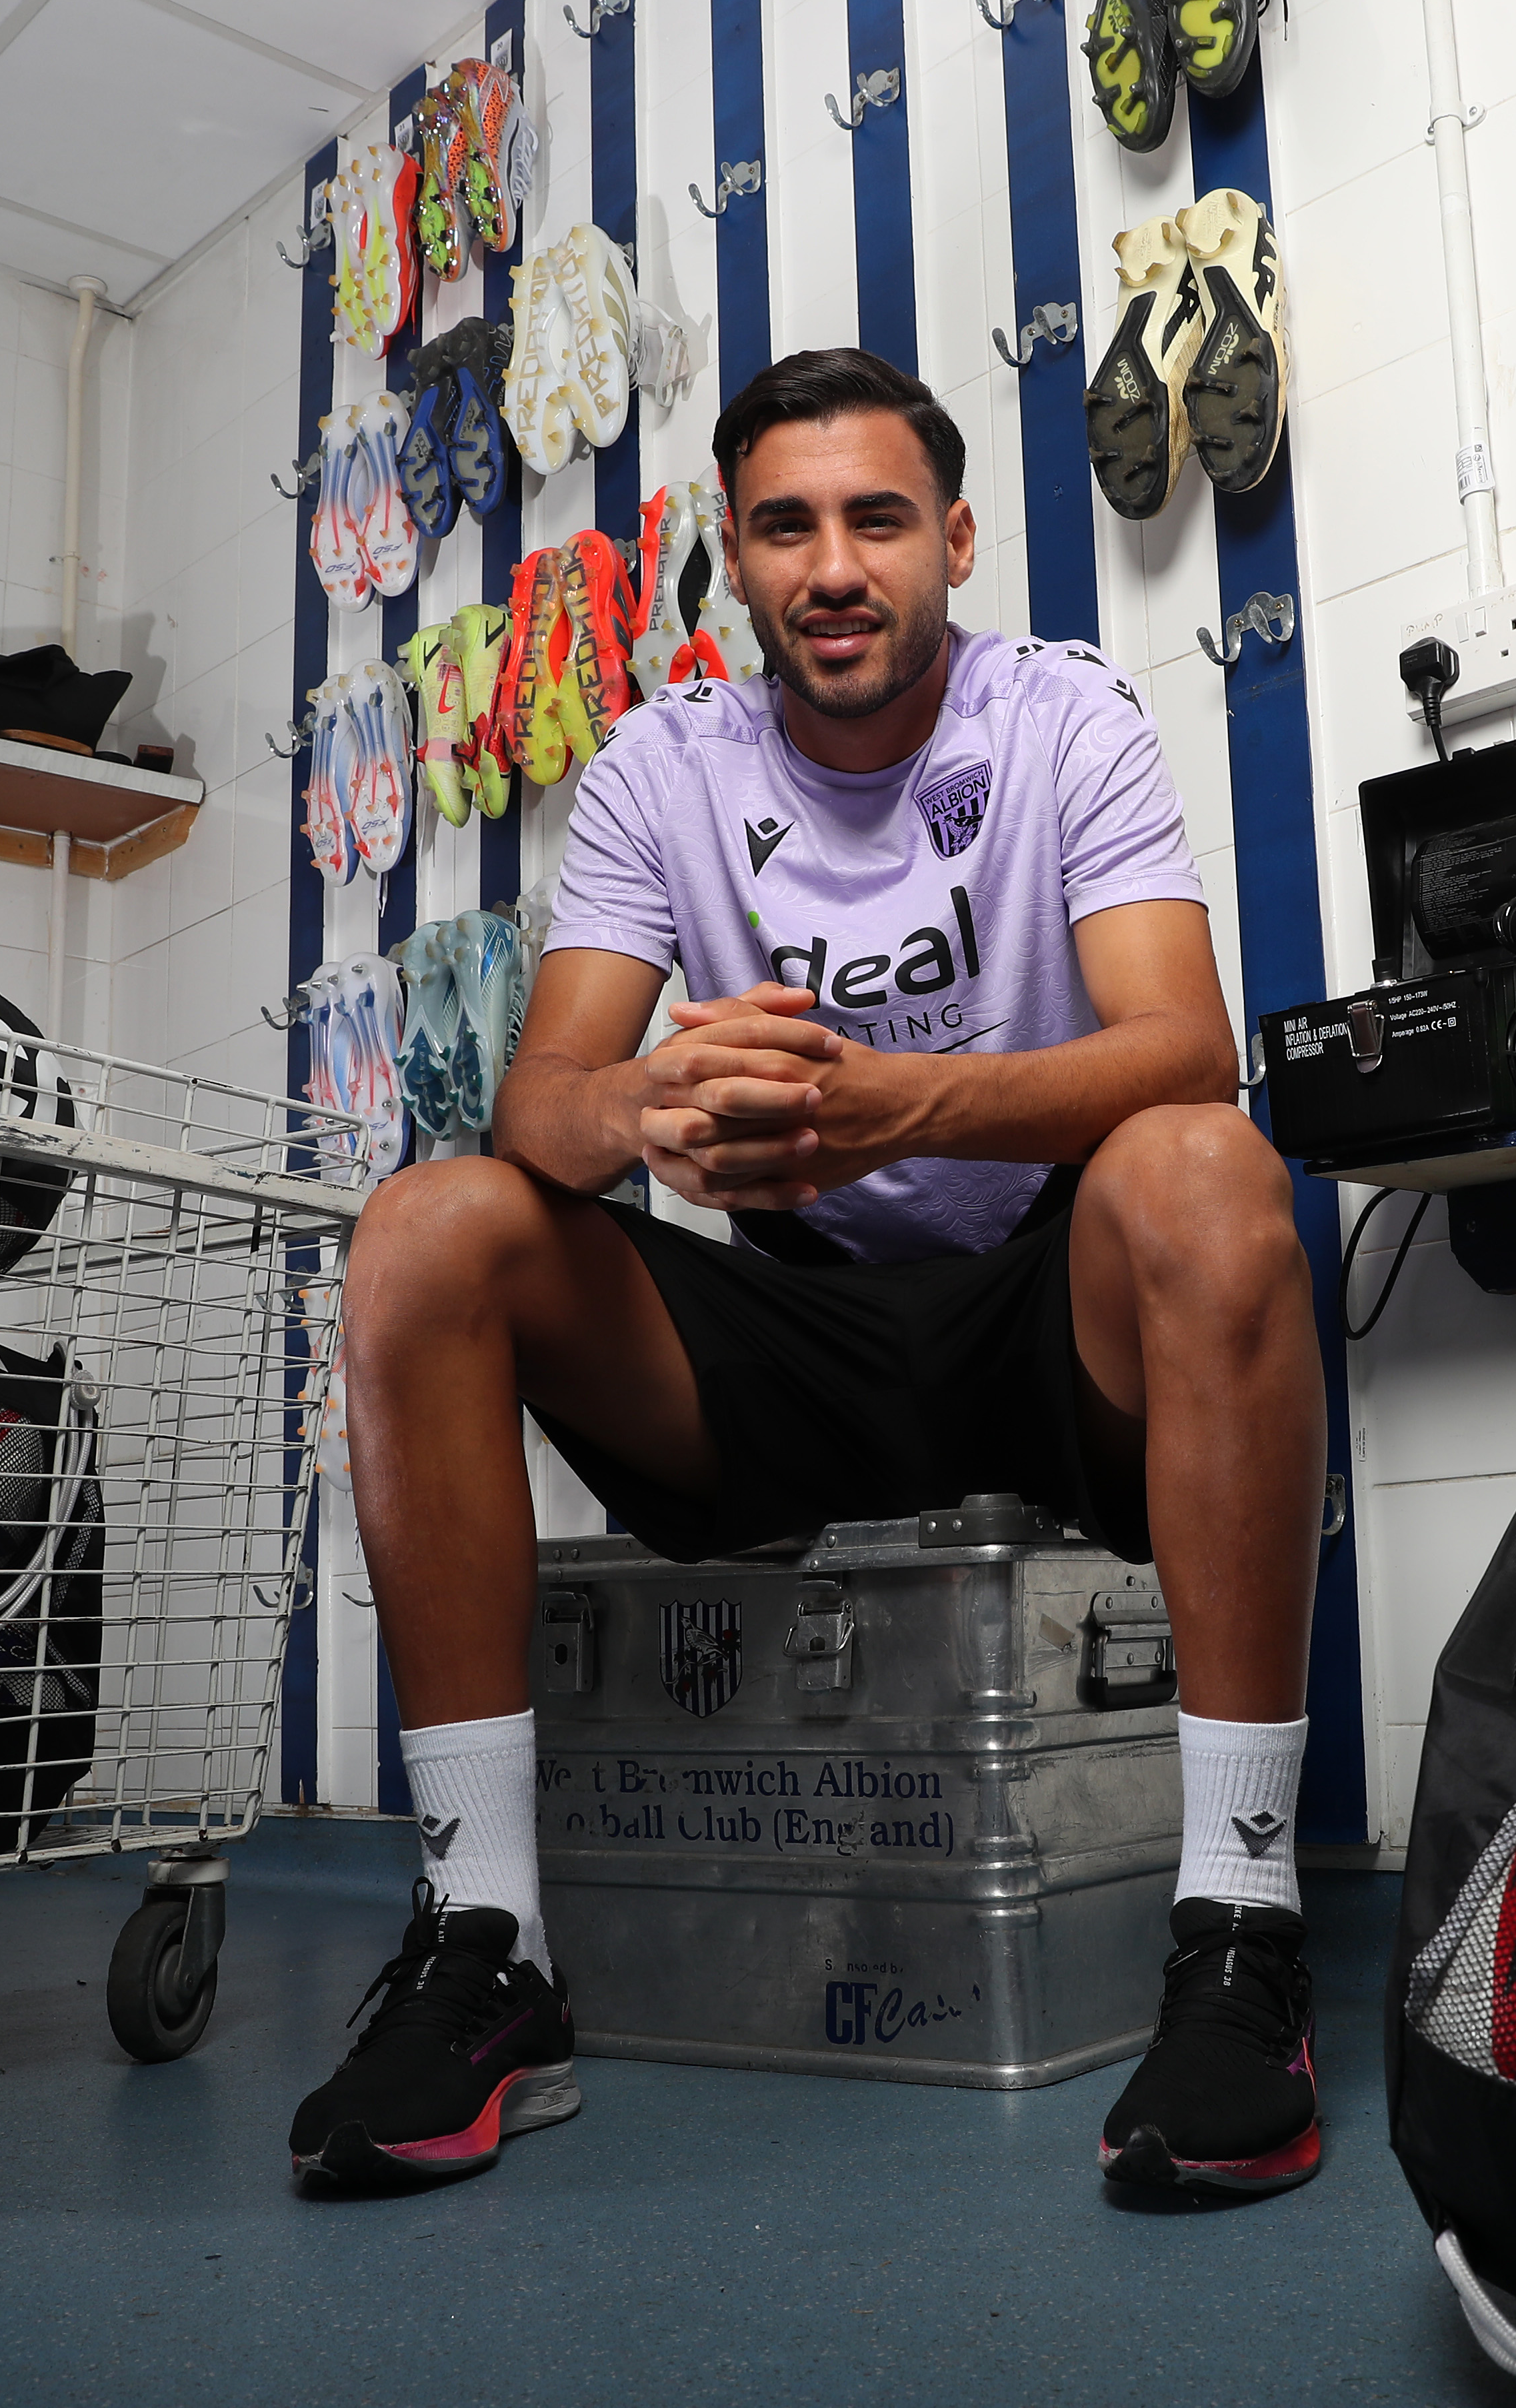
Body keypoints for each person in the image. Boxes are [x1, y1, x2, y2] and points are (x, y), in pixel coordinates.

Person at [285, 349, 1333, 2200]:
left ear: (955, 541)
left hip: (1037, 1310)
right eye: (785, 526)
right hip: (780, 1333)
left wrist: (912, 1100)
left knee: (1205, 1170)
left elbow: (1186, 1047)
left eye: (873, 520)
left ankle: (1243, 1929)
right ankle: (484, 1950)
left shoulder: (1066, 716)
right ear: (737, 561)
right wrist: (647, 1118)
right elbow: (540, 1101)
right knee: (429, 1226)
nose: (832, 565)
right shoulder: (658, 762)